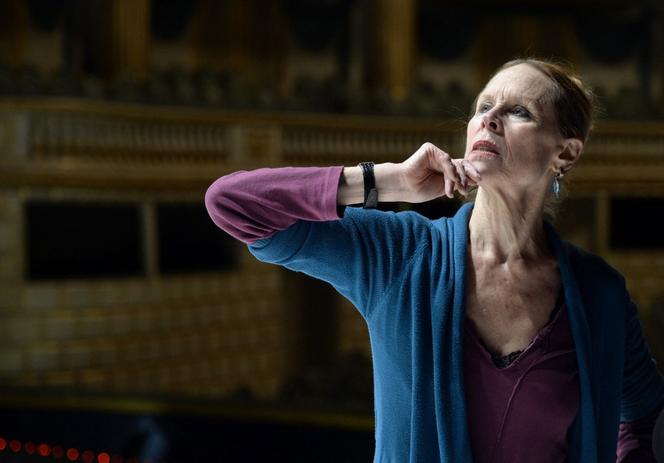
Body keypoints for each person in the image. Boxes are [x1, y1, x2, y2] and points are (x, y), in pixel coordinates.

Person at [204, 59, 664, 462]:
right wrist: (388, 184)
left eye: (518, 111)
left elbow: (643, 413)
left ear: (565, 153)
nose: (489, 121)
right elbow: (233, 204)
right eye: (483, 108)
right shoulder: (399, 253)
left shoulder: (598, 292)